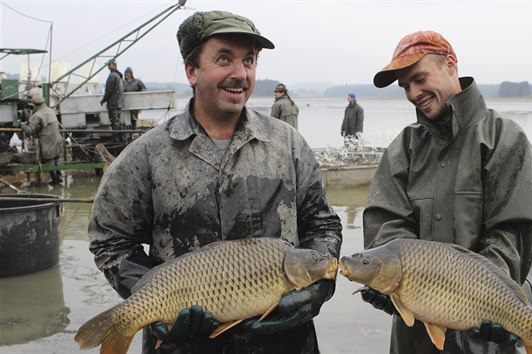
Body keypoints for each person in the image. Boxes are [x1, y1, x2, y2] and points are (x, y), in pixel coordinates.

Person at [88, 10, 342, 354]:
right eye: (224, 58)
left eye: (249, 60)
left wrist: (317, 290)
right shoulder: (146, 155)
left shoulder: (289, 145)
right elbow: (109, 239)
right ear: (192, 71)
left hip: (285, 344)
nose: (240, 74)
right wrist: (154, 299)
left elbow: (323, 225)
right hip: (181, 345)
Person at [360, 30, 532, 353]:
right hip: (417, 335)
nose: (413, 93)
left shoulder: (505, 139)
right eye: (405, 86)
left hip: (493, 330)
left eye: (419, 78)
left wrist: (479, 299)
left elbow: (512, 236)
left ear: (450, 65)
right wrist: (390, 282)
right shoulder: (402, 149)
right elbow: (385, 231)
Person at [20, 94, 65, 185]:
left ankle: (55, 180)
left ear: (34, 105)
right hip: (57, 139)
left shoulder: (37, 115)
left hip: (47, 141)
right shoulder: (51, 111)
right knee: (56, 158)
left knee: (50, 160)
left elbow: (30, 130)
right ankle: (59, 177)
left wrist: (22, 125)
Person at [100, 59, 124, 139]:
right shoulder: (119, 76)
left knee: (114, 120)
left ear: (113, 65)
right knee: (117, 120)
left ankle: (115, 138)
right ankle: (120, 137)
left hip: (113, 103)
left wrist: (103, 100)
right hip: (118, 103)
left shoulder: (112, 76)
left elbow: (109, 90)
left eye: (109, 64)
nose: (108, 66)